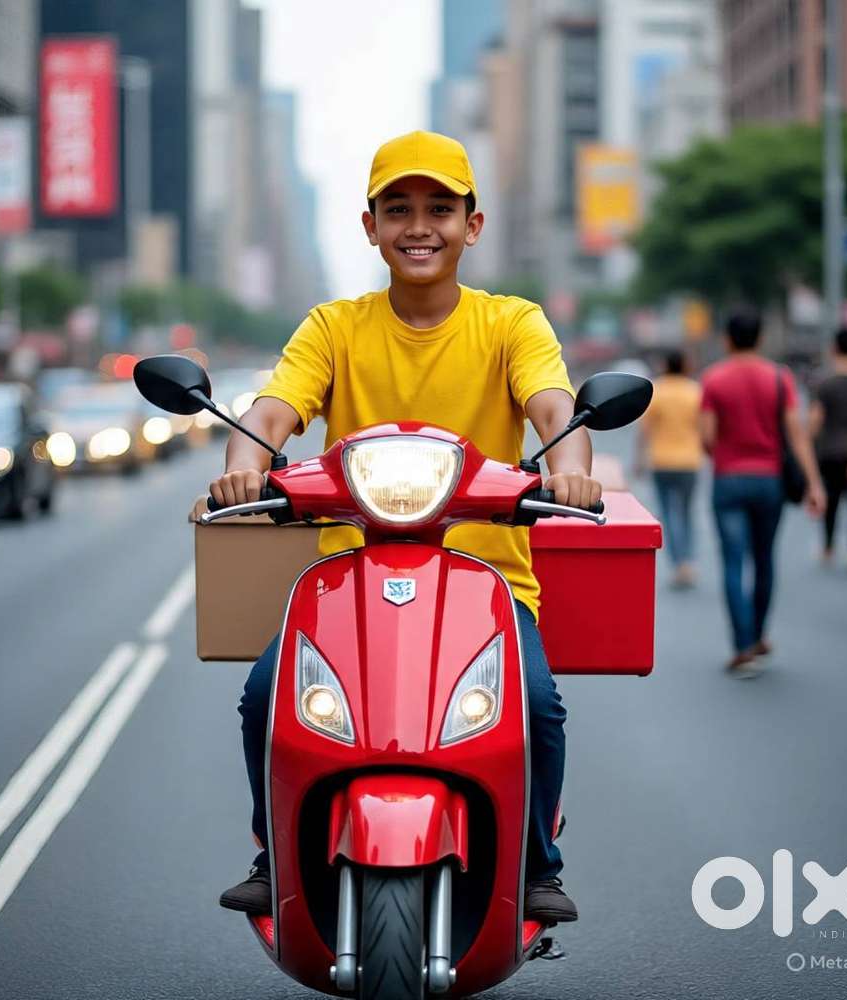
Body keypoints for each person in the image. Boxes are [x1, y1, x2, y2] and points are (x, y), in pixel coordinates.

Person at [211, 132, 598, 923]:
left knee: (541, 705)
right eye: (399, 210)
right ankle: (270, 848)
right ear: (370, 226)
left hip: (487, 584)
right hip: (346, 579)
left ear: (473, 224)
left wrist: (570, 464)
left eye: (439, 209)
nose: (419, 227)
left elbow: (554, 404)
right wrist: (245, 461)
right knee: (262, 699)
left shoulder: (511, 323)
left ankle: (537, 862)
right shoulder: (334, 327)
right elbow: (272, 408)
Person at [700, 310, 825, 676]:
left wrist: (723, 456)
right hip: (769, 481)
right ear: (760, 337)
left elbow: (706, 437)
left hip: (728, 481)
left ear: (727, 338)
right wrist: (814, 483)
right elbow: (796, 434)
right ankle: (758, 635)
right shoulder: (779, 377)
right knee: (765, 559)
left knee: (733, 563)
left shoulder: (714, 378)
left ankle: (741, 647)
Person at [636, 349, 702, 587]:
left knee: (668, 512)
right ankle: (687, 561)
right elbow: (703, 427)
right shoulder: (695, 391)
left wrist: (639, 460)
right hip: (689, 461)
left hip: (661, 461)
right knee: (685, 512)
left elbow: (645, 430)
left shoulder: (657, 391)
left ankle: (678, 562)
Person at [809, 328, 847, 572]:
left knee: (831, 499)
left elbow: (815, 420)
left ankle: (828, 546)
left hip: (831, 450)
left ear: (835, 348)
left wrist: (808, 448)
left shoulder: (824, 381)